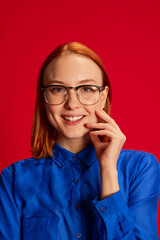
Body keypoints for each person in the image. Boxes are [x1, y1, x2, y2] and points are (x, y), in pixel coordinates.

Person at [0, 42, 159, 240]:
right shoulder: (12, 180)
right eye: (58, 89)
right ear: (44, 98)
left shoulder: (140, 169)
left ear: (103, 96)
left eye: (86, 88)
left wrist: (109, 171)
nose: (72, 104)